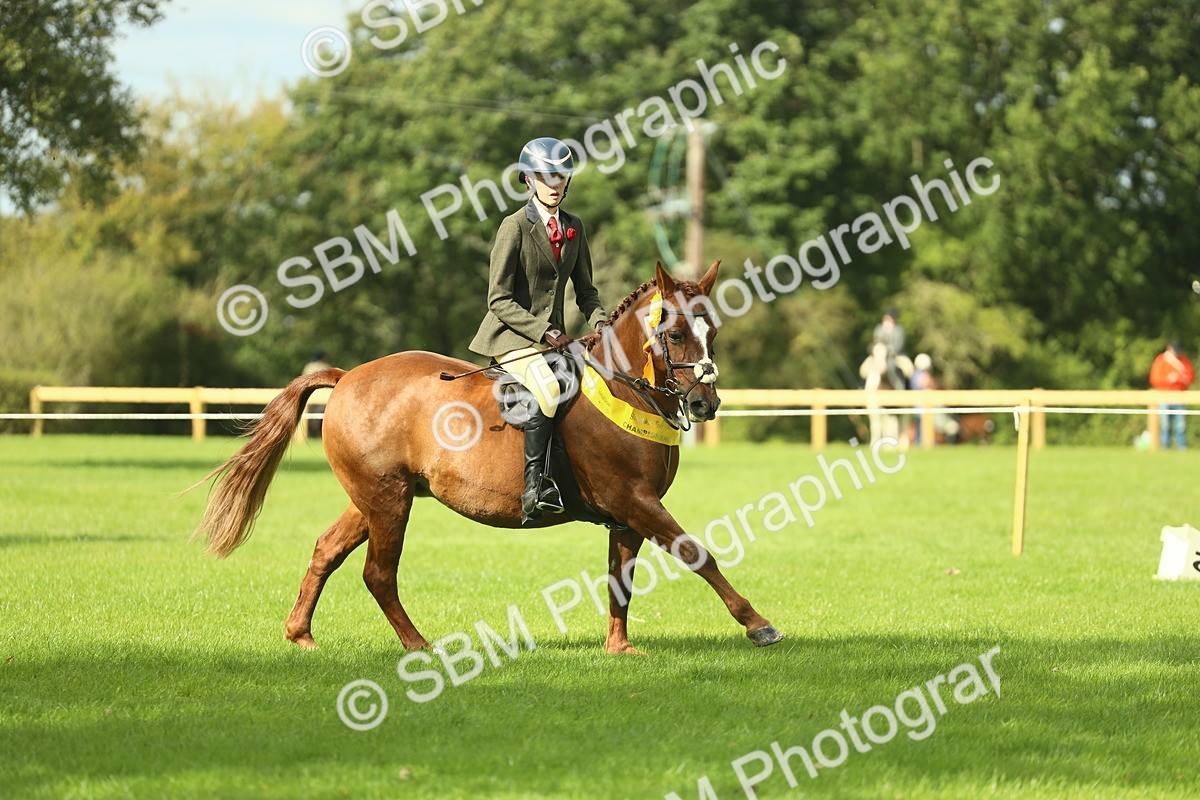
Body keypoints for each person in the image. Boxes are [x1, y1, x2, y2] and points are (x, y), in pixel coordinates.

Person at [468, 137, 608, 525]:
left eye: (561, 176)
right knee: (548, 390)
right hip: (512, 336)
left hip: (555, 339)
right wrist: (545, 332)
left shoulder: (574, 228)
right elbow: (497, 299)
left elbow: (586, 291)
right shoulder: (513, 226)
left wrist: (603, 323)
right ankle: (535, 487)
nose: (555, 183)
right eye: (547, 176)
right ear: (528, 180)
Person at [1149, 341, 1194, 449]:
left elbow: (1191, 377)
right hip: (1165, 396)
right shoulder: (1161, 360)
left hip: (1179, 396)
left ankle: (1181, 447)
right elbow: (1154, 379)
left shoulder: (1183, 361)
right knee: (1165, 425)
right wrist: (1168, 379)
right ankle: (1165, 447)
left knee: (1180, 425)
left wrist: (1181, 379)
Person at [302, 350, 332, 438]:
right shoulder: (326, 366)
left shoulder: (308, 367)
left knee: (310, 416)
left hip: (310, 396)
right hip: (324, 397)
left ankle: (311, 432)